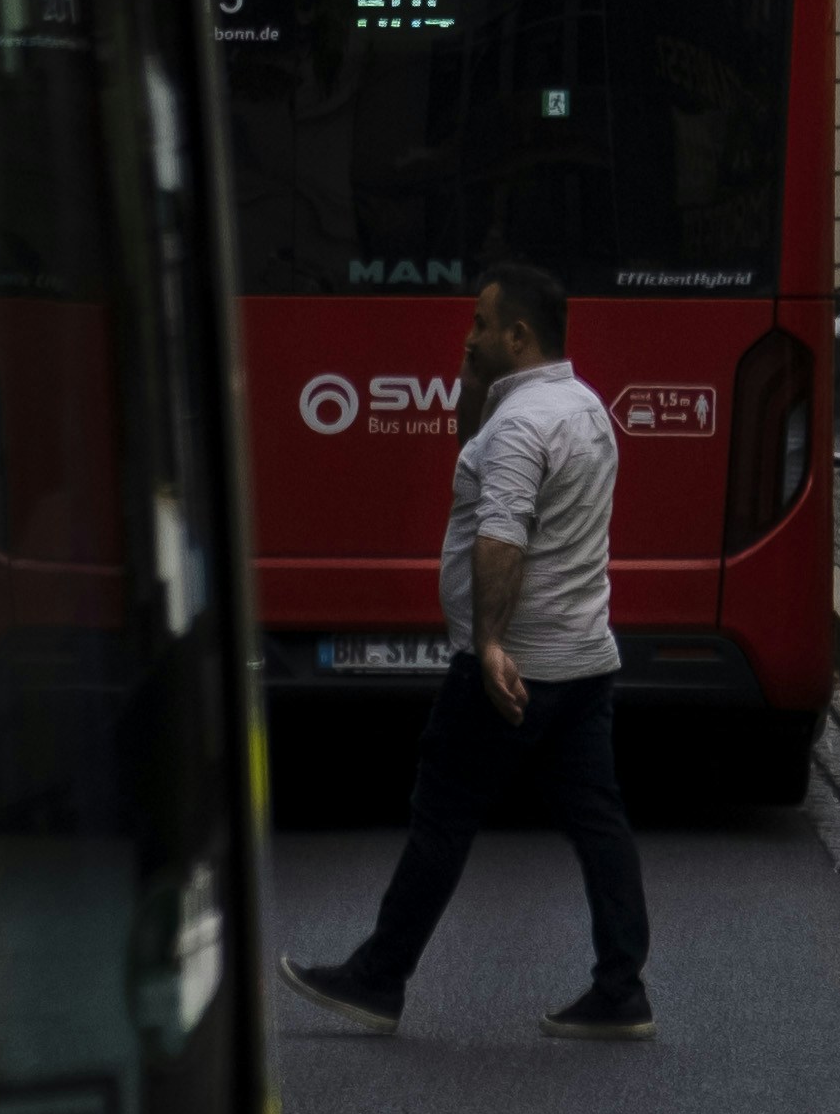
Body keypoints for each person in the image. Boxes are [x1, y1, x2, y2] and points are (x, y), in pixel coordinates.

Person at [280, 260, 653, 1042]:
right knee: (599, 822)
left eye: (480, 326)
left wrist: (486, 645)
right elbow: (474, 450)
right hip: (583, 659)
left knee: (441, 817)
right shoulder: (582, 407)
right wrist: (470, 377)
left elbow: (501, 536)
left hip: (515, 669)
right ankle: (622, 990)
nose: (468, 335)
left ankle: (378, 978)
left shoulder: (523, 427)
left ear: (518, 335)